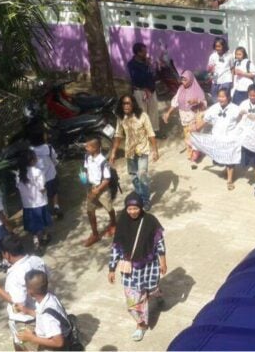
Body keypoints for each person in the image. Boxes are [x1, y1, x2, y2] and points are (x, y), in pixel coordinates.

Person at [108, 193, 167, 342]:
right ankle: (141, 324)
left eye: (135, 208)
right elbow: (116, 247)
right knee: (133, 301)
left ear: (140, 207)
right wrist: (111, 268)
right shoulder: (122, 221)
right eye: (130, 208)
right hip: (130, 269)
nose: (132, 211)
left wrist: (163, 261)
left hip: (148, 266)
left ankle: (156, 293)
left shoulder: (150, 221)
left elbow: (159, 242)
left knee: (148, 289)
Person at [0, 235, 50, 351]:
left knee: (25, 348)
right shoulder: (37, 260)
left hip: (26, 322)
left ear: (7, 254)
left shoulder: (16, 273)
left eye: (3, 253)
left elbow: (17, 303)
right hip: (42, 313)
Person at [110, 94, 159, 208]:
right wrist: (113, 152)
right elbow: (118, 135)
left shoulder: (142, 116)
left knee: (142, 174)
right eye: (124, 103)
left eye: (128, 103)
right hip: (130, 152)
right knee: (133, 175)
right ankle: (140, 194)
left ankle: (145, 200)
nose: (126, 106)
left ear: (133, 104)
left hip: (142, 150)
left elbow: (151, 133)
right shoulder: (121, 118)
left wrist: (155, 150)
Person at [195, 88, 241, 190]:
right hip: (217, 138)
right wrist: (196, 128)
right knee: (218, 160)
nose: (220, 99)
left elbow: (242, 119)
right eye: (219, 96)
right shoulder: (214, 108)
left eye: (223, 97)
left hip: (230, 139)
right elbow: (205, 120)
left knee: (230, 159)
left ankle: (230, 180)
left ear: (228, 97)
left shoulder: (236, 109)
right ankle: (226, 168)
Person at [16, 270, 72, 350]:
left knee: (21, 347)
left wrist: (32, 338)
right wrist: (27, 311)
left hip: (52, 348)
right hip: (50, 335)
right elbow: (43, 315)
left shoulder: (47, 317)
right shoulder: (50, 297)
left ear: (30, 291)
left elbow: (59, 342)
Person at [164, 70, 207, 169]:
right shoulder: (180, 89)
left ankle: (194, 156)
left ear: (191, 80)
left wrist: (197, 101)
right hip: (183, 117)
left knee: (192, 136)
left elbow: (204, 105)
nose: (183, 81)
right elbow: (175, 102)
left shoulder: (197, 90)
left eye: (185, 79)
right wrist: (168, 113)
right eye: (182, 79)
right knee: (187, 135)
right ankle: (192, 153)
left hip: (194, 117)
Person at [83, 136, 117, 247]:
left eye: (88, 146)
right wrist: (87, 183)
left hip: (101, 188)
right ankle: (95, 234)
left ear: (95, 148)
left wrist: (98, 189)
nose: (85, 147)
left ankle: (113, 224)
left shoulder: (102, 161)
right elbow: (86, 170)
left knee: (108, 207)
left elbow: (107, 179)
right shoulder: (87, 157)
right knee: (90, 210)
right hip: (91, 188)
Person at [15, 149, 52, 250]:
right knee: (41, 222)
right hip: (39, 202)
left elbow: (19, 188)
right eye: (35, 157)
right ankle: (39, 240)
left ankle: (37, 238)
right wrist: (45, 190)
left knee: (33, 224)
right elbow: (42, 189)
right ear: (32, 160)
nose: (37, 158)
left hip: (27, 204)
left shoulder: (19, 174)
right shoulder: (38, 172)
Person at [126, 43, 160, 132]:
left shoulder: (147, 62)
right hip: (140, 91)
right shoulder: (132, 64)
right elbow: (137, 79)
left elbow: (153, 75)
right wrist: (146, 66)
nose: (146, 53)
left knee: (153, 111)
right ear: (138, 53)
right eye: (144, 52)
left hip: (151, 90)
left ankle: (154, 130)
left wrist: (153, 66)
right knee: (142, 112)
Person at [29, 130, 62, 219]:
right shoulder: (49, 147)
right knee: (54, 192)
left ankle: (47, 212)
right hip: (51, 175)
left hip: (38, 179)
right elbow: (54, 158)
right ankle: (56, 207)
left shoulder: (30, 150)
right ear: (42, 137)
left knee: (43, 195)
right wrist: (56, 164)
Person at [206, 37, 234, 103]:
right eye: (216, 46)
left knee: (225, 97)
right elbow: (209, 68)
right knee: (215, 97)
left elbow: (232, 68)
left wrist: (232, 80)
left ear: (224, 46)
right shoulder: (213, 56)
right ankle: (217, 110)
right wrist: (210, 70)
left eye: (219, 46)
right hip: (216, 80)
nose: (217, 48)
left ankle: (226, 110)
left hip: (226, 79)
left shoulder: (229, 56)